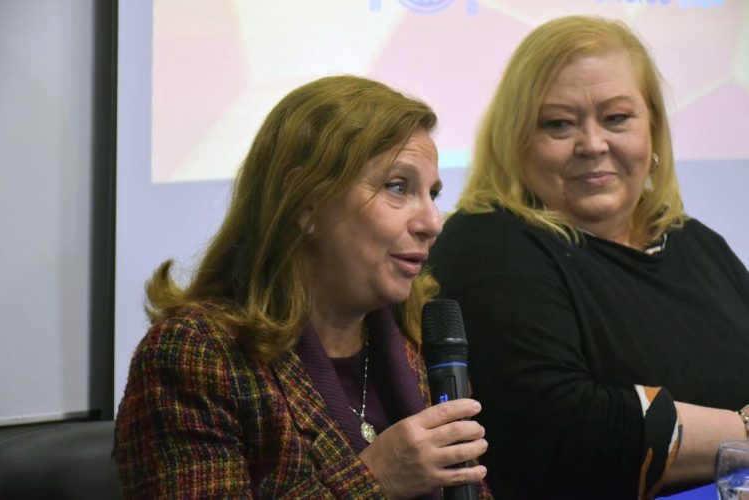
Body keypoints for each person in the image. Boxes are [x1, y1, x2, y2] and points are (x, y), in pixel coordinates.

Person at [114, 75, 492, 498]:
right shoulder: (198, 356)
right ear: (306, 202)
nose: (432, 223)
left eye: (432, 194)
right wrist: (377, 480)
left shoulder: (420, 348)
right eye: (398, 187)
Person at [428, 15, 749, 500]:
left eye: (616, 118)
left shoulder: (693, 241)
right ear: (515, 139)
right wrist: (742, 432)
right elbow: (563, 425)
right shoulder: (486, 243)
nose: (593, 144)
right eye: (558, 124)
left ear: (653, 130)